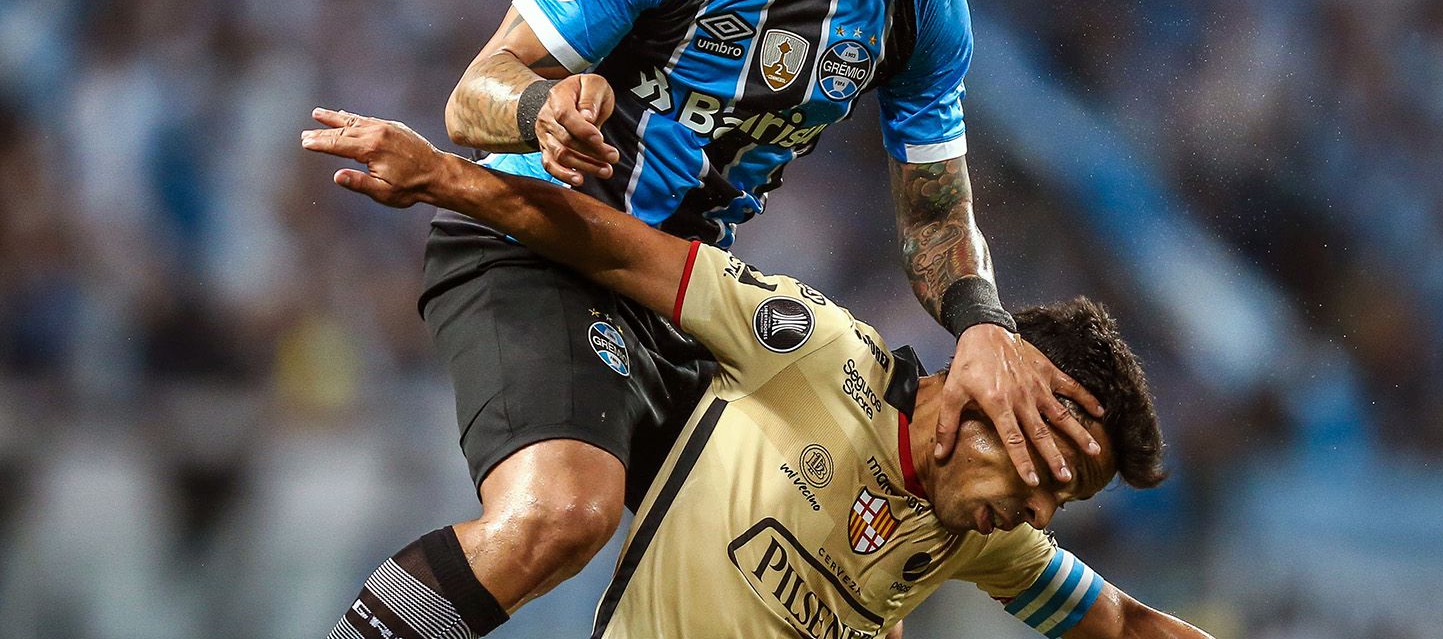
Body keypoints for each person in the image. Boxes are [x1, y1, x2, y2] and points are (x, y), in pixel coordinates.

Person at [326, 0, 1104, 639]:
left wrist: (983, 326)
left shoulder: (924, 8)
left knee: (838, 555)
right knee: (562, 513)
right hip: (533, 242)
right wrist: (541, 109)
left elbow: (935, 211)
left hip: (681, 296)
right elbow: (476, 95)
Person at [305, 109, 1215, 639]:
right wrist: (445, 177)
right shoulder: (814, 351)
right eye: (1049, 472)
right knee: (553, 516)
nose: (1042, 515)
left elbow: (1126, 627)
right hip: (538, 286)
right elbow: (622, 252)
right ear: (993, 394)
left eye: (1064, 501)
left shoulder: (980, 535)